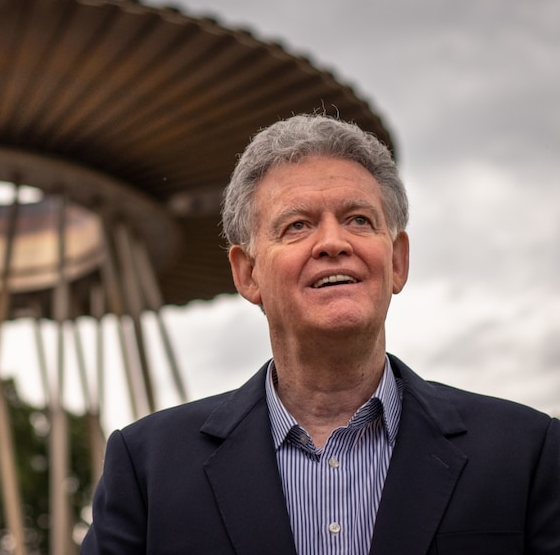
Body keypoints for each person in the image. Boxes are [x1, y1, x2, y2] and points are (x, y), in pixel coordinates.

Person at [80, 113, 560, 554]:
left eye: (358, 220)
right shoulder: (148, 469)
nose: (333, 243)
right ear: (247, 274)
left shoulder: (528, 454)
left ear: (397, 261)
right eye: (297, 225)